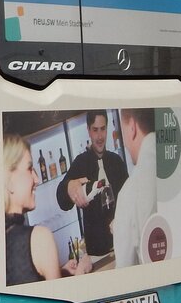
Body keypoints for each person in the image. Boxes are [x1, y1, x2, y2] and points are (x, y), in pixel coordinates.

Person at [5, 134, 91, 285]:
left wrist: (59, 271)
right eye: (29, 168)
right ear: (9, 181)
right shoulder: (39, 238)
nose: (37, 179)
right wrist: (80, 274)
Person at [55, 110, 128, 259]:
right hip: (96, 253)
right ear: (88, 130)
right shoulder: (80, 163)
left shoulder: (117, 161)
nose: (100, 136)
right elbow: (61, 200)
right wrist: (69, 187)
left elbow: (130, 199)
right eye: (95, 130)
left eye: (103, 129)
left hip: (123, 244)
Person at [112, 108, 158, 268]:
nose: (124, 142)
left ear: (132, 127)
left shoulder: (129, 193)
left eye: (122, 130)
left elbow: (125, 271)